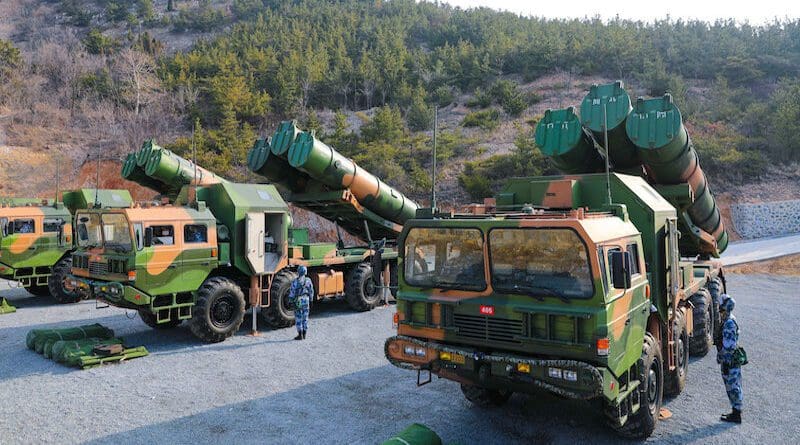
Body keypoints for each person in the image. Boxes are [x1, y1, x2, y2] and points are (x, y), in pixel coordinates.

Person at [716, 294, 743, 424]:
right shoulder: (728, 320)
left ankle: (736, 414)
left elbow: (729, 346)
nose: (719, 308)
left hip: (730, 360)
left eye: (721, 306)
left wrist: (724, 360)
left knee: (733, 387)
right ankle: (735, 411)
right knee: (732, 386)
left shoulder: (729, 323)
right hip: (730, 360)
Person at [288, 265, 313, 340]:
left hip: (298, 301)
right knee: (305, 317)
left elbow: (292, 293)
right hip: (306, 300)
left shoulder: (295, 281)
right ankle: (305, 334)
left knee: (298, 317)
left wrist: (290, 301)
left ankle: (300, 334)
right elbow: (311, 291)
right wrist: (311, 300)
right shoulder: (308, 280)